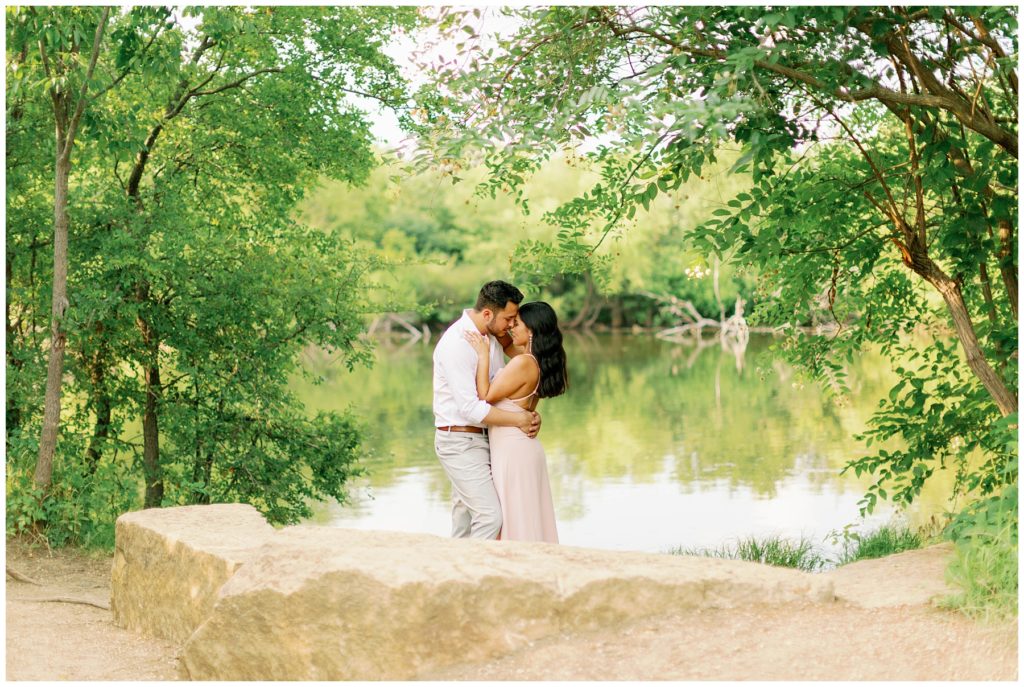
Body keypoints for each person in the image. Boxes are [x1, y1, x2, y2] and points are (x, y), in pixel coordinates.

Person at [432, 280, 540, 539]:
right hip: (459, 440)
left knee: (465, 517)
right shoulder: (457, 343)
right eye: (509, 318)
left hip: (484, 439)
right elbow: (471, 408)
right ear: (488, 314)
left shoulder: (492, 337)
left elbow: (523, 368)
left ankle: (458, 574)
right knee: (490, 516)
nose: (512, 324)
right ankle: (475, 574)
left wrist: (528, 411)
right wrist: (519, 419)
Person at [463, 301, 567, 543]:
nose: (511, 328)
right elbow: (508, 343)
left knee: (515, 516)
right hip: (522, 447)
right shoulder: (536, 359)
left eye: (516, 323)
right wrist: (496, 332)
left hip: (513, 451)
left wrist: (483, 354)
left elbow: (485, 396)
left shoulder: (523, 363)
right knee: (525, 515)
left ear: (530, 330)